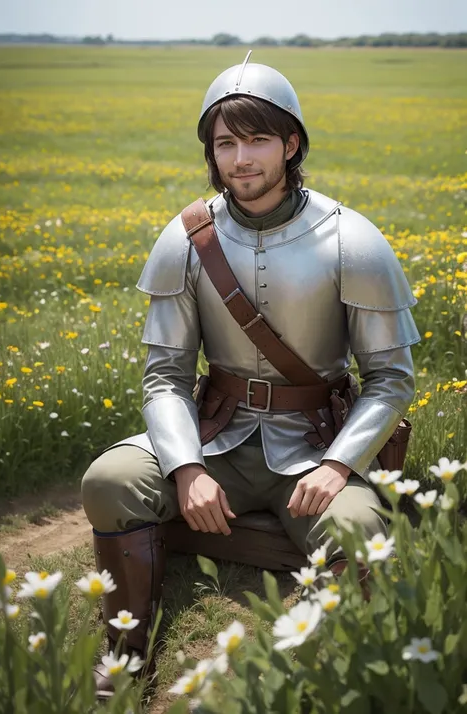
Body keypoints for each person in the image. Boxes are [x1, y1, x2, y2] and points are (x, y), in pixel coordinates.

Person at [81, 51, 420, 696]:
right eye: (226, 143)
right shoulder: (185, 238)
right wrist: (186, 468)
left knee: (363, 533)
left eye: (259, 139)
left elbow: (390, 379)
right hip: (216, 435)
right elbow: (165, 376)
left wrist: (339, 464)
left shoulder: (353, 239)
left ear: (291, 144)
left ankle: (309, 668)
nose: (242, 159)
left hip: (316, 444)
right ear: (211, 152)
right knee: (110, 479)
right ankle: (125, 652)